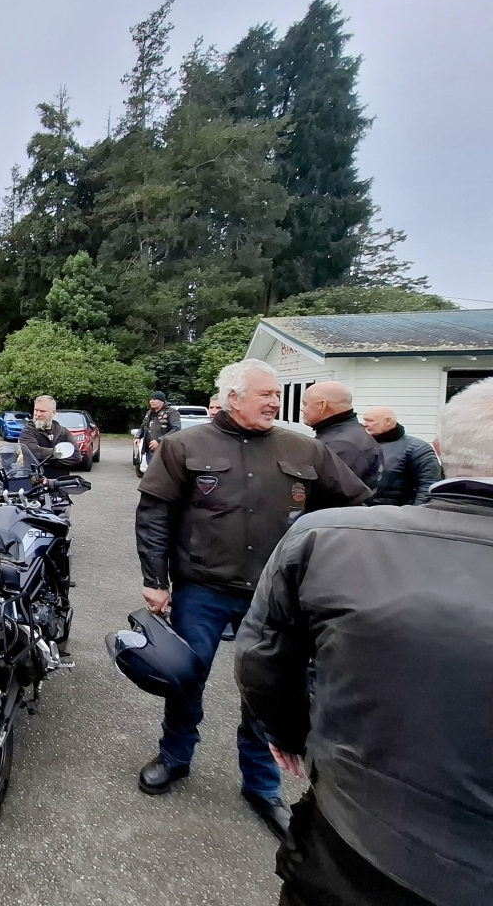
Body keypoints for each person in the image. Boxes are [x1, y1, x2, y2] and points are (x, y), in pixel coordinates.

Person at [236, 377, 493, 906]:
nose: (284, 405)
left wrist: (293, 734)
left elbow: (262, 658)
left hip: (352, 837)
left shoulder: (325, 532)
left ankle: (259, 785)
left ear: (440, 452)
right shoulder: (330, 530)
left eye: (298, 400)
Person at [134, 359, 370, 839]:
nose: (275, 402)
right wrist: (155, 579)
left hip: (277, 595)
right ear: (234, 396)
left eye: (277, 395)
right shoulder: (184, 446)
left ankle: (261, 787)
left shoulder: (304, 449)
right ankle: (175, 757)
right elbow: (154, 516)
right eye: (265, 394)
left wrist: (321, 558)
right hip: (201, 588)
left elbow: (354, 506)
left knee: (268, 689)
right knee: (186, 679)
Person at [301, 382, 383, 492]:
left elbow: (326, 494)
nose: (302, 409)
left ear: (322, 405)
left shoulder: (341, 445)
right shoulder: (353, 433)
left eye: (305, 404)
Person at [361, 406, 443, 506]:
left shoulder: (417, 448)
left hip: (396, 514)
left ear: (388, 421)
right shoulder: (359, 445)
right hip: (357, 512)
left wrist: (415, 513)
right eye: (364, 420)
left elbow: (428, 484)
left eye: (370, 421)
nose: (364, 425)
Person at [18, 394, 82, 480]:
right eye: (36, 410)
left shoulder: (63, 432)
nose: (38, 414)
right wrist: (62, 453)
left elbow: (76, 456)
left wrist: (49, 461)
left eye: (42, 411)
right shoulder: (28, 431)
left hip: (60, 484)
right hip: (35, 485)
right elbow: (32, 453)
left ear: (53, 413)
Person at [139, 391, 182, 456]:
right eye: (151, 399)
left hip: (165, 449)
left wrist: (159, 440)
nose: (152, 401)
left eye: (155, 399)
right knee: (151, 466)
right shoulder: (149, 412)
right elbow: (143, 426)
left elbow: (176, 429)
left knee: (162, 466)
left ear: (162, 401)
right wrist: (138, 436)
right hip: (150, 449)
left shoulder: (171, 412)